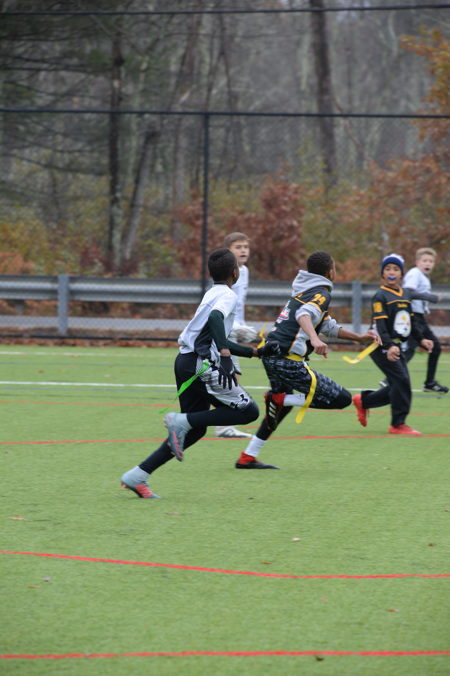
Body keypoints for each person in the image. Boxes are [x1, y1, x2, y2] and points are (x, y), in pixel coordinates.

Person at [120, 248, 279, 498]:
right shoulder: (228, 295)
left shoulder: (212, 293)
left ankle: (138, 475)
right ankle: (179, 421)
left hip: (185, 362)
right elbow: (215, 320)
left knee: (194, 429)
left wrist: (254, 352)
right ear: (235, 273)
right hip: (201, 365)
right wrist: (226, 354)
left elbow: (213, 333)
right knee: (249, 411)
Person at [235, 250, 380, 469]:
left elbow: (327, 325)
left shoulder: (305, 290)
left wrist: (358, 337)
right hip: (287, 360)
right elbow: (303, 315)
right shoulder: (321, 293)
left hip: (271, 354)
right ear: (330, 272)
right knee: (342, 399)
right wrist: (314, 338)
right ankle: (280, 399)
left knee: (282, 405)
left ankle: (248, 456)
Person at [352, 253, 434, 437]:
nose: (391, 272)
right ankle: (398, 424)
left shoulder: (405, 294)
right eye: (387, 269)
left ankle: (364, 401)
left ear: (401, 274)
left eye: (396, 269)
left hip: (395, 346)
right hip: (380, 346)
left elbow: (410, 322)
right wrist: (389, 346)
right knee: (402, 382)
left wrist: (421, 339)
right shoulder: (380, 296)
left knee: (399, 384)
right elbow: (380, 326)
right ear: (382, 273)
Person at [215, 231, 257, 439]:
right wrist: (235, 328)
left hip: (232, 329)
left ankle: (218, 423)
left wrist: (242, 326)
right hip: (222, 331)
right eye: (238, 247)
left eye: (245, 247)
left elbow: (238, 305)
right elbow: (219, 307)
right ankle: (223, 426)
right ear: (228, 251)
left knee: (227, 376)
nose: (243, 251)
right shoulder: (224, 273)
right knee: (230, 375)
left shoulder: (244, 271)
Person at [402, 247, 448, 394]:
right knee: (410, 349)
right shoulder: (414, 273)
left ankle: (429, 383)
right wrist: (430, 297)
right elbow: (408, 292)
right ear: (417, 262)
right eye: (425, 260)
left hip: (419, 317)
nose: (428, 263)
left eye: (431, 261)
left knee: (435, 347)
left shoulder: (422, 276)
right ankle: (390, 379)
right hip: (412, 316)